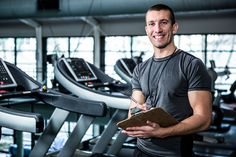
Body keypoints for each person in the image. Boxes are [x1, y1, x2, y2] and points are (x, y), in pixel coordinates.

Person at [122, 4, 212, 157]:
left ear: (174, 27)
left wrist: (163, 132)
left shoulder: (191, 65)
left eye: (163, 22)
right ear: (146, 30)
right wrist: (138, 115)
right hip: (141, 151)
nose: (157, 29)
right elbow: (133, 111)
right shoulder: (140, 69)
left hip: (174, 153)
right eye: (152, 24)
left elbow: (203, 119)